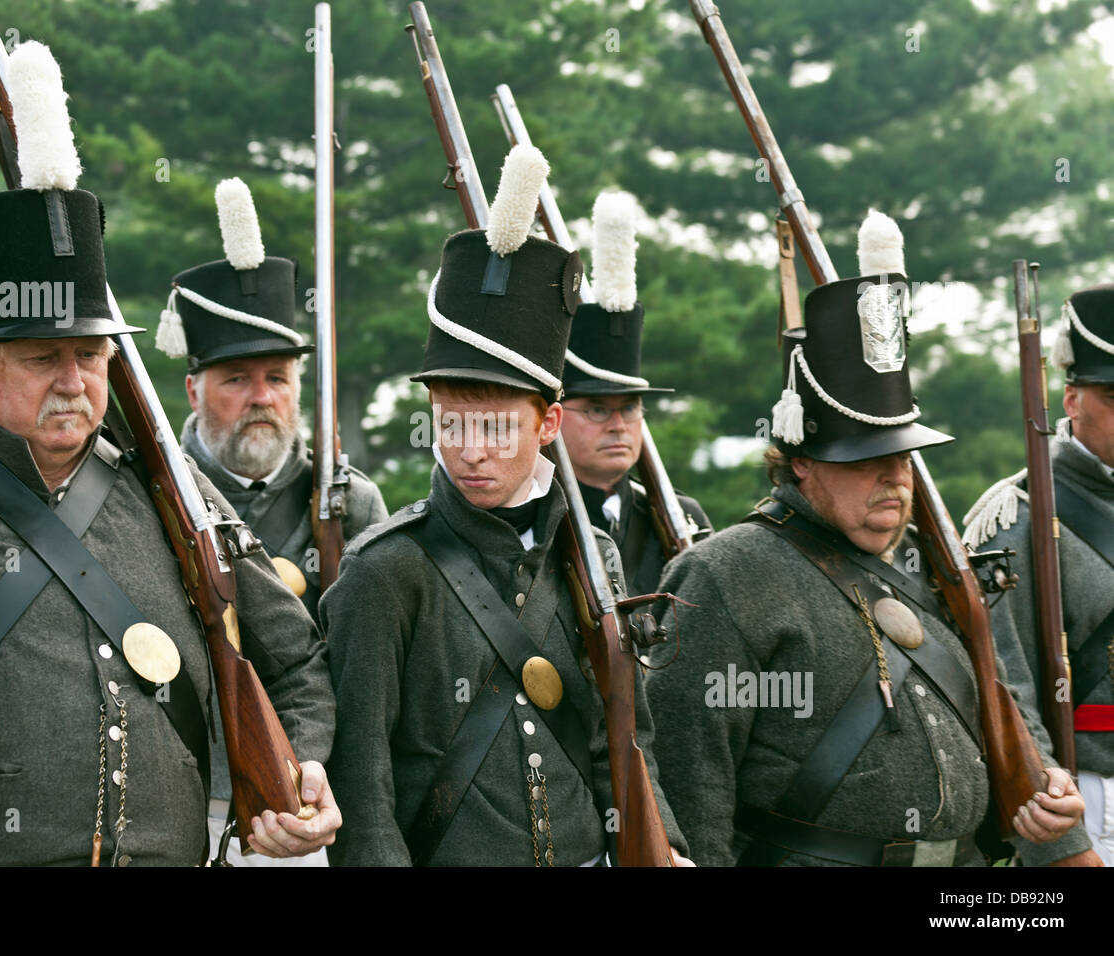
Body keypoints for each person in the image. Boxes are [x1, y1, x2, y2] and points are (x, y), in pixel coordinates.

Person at [0, 40, 337, 867]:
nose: (72, 380)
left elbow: (296, 655)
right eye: (41, 357)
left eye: (89, 356)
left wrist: (302, 764)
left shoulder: (179, 494)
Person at [646, 211, 1090, 866]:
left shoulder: (941, 571)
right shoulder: (725, 574)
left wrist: (1046, 781)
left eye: (903, 457)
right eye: (863, 460)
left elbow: (1008, 706)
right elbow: (691, 777)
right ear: (800, 459)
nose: (892, 478)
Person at [321, 145, 688, 866]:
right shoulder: (384, 570)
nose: (470, 450)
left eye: (495, 425)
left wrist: (666, 847)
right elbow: (363, 793)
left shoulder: (594, 554)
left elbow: (624, 736)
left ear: (549, 424)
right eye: (451, 421)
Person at [156, 177, 385, 864]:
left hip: (309, 792)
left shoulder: (349, 503)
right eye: (237, 379)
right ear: (194, 389)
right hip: (182, 792)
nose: (262, 398)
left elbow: (364, 679)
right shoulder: (151, 497)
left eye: (277, 378)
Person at [964, 281, 1114, 865]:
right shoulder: (1016, 517)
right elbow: (1005, 694)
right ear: (1072, 399)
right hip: (1093, 800)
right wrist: (1064, 845)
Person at [560, 191, 710, 596]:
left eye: (629, 408)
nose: (618, 426)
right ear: (552, 419)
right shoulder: (534, 520)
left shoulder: (682, 516)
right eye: (596, 408)